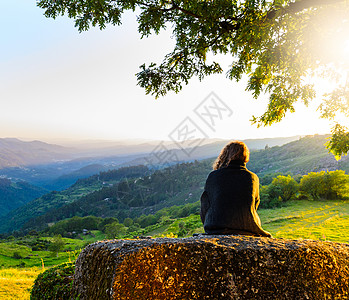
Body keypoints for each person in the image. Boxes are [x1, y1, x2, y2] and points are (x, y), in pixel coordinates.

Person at [200, 141, 272, 237]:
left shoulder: (213, 176)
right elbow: (254, 205)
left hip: (216, 228)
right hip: (248, 228)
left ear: (225, 155)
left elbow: (205, 204)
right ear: (245, 157)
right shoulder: (252, 177)